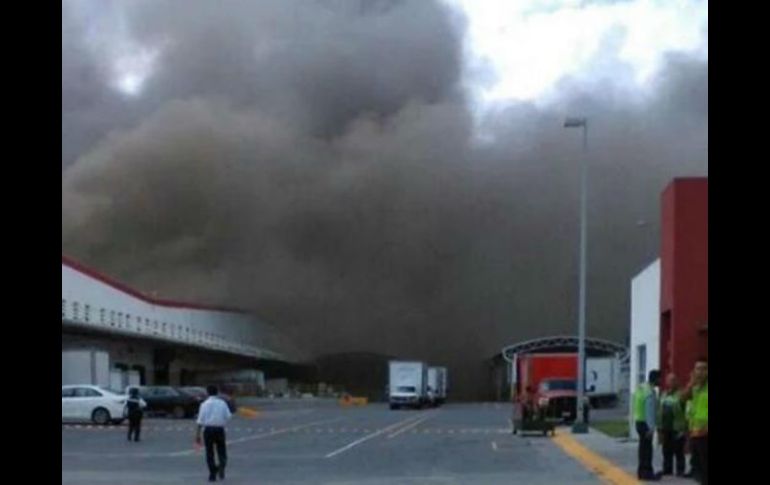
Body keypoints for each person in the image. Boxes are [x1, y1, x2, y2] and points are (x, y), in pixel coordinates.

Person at [196, 385, 233, 482]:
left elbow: (200, 421)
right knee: (221, 450)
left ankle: (212, 474)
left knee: (209, 452)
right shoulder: (222, 403)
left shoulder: (204, 404)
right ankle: (221, 466)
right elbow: (228, 416)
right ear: (217, 393)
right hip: (219, 429)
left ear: (207, 393)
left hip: (208, 430)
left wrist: (198, 435)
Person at [681, 358, 708, 485]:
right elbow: (682, 398)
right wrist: (691, 383)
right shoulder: (695, 388)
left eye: (704, 369)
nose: (701, 372)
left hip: (706, 433)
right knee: (698, 468)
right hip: (695, 433)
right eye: (698, 369)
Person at [634, 369, 661, 481]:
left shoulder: (641, 387)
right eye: (660, 379)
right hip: (646, 423)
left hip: (638, 421)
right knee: (647, 450)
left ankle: (641, 472)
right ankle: (648, 473)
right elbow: (649, 410)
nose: (661, 381)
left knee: (642, 448)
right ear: (656, 379)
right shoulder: (650, 392)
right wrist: (651, 428)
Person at [657, 373, 686, 476]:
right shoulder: (664, 394)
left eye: (673, 380)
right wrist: (659, 427)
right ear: (666, 382)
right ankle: (667, 469)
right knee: (666, 449)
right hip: (665, 427)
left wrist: (685, 427)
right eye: (669, 380)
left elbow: (686, 409)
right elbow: (659, 410)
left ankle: (680, 470)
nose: (671, 382)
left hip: (677, 427)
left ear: (677, 382)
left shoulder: (681, 394)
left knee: (679, 450)